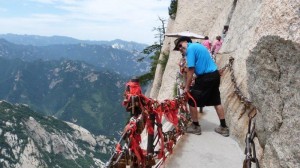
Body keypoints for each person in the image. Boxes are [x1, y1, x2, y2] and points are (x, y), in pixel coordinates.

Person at [173, 36, 229, 137]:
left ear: (186, 42)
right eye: (178, 48)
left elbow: (191, 69)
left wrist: (187, 87)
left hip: (205, 77)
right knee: (216, 101)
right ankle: (223, 127)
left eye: (180, 45)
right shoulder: (198, 46)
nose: (180, 48)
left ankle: (195, 126)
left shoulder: (190, 49)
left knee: (191, 100)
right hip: (214, 75)